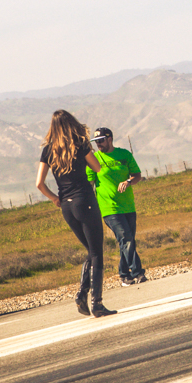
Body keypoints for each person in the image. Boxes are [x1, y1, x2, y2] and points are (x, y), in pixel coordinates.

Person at [35, 110, 114, 317]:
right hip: (85, 201)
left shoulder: (48, 151)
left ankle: (83, 293)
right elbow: (96, 168)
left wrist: (54, 198)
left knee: (90, 250)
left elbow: (39, 184)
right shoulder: (80, 144)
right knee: (97, 253)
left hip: (67, 207)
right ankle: (95, 302)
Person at [89, 126, 147, 287]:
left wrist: (128, 182)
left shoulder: (124, 155)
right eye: (95, 142)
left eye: (101, 141)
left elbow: (137, 175)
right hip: (109, 208)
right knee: (126, 238)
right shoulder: (93, 159)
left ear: (110, 139)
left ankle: (123, 275)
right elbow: (89, 184)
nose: (98, 144)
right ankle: (138, 273)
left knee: (127, 241)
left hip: (128, 206)